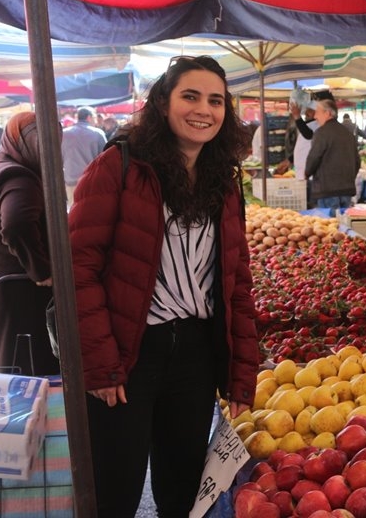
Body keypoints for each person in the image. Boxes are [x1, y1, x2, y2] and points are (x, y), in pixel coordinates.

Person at [68, 56, 258, 517]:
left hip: (196, 354)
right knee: (114, 493)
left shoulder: (223, 182)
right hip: (129, 352)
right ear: (162, 102)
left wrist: (241, 371)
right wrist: (100, 363)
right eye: (190, 96)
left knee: (182, 493)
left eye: (216, 101)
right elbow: (77, 266)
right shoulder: (118, 167)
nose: (204, 110)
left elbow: (237, 281)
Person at [0, 111, 59, 376]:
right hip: (21, 287)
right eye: (36, 138)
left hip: (10, 285)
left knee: (16, 363)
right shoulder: (20, 177)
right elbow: (16, 224)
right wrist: (41, 270)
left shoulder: (6, 168)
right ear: (18, 141)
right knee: (27, 366)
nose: (45, 145)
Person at [306, 98, 361, 215]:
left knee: (329, 224)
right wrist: (349, 178)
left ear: (328, 113)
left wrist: (307, 172)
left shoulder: (321, 133)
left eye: (317, 112)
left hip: (327, 190)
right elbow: (357, 161)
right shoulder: (348, 134)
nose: (315, 116)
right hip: (346, 190)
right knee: (343, 223)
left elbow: (314, 157)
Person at [61, 106, 107, 205]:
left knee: (73, 210)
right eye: (94, 117)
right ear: (89, 117)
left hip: (71, 181)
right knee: (91, 210)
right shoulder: (98, 134)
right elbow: (106, 159)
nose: (95, 121)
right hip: (92, 182)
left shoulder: (64, 134)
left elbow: (59, 159)